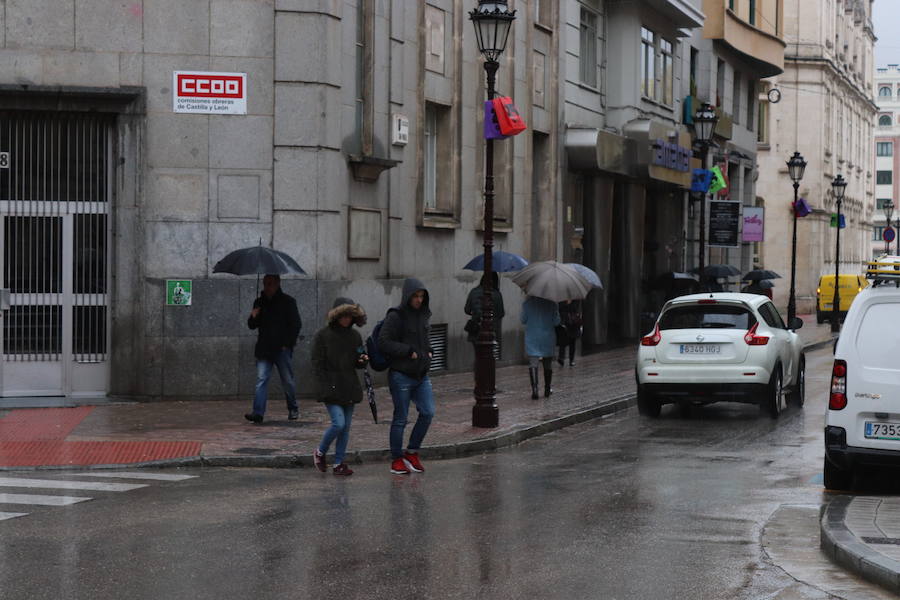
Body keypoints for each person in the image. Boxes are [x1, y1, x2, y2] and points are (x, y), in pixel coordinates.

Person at [378, 278, 434, 475]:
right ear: (407, 296)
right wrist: (407, 350)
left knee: (428, 412)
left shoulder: (424, 315)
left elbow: (425, 339)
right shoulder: (396, 316)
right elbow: (383, 341)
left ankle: (412, 451)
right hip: (401, 374)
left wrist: (429, 351)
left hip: (421, 374)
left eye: (421, 296)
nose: (419, 300)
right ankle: (396, 459)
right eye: (416, 296)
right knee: (401, 418)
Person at [312, 298, 368, 476]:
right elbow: (317, 363)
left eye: (349, 316)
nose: (346, 319)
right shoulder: (323, 335)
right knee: (338, 423)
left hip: (349, 385)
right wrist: (324, 385)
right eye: (343, 315)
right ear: (336, 316)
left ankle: (338, 463)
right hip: (331, 386)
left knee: (346, 427)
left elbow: (359, 360)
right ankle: (320, 452)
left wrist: (362, 360)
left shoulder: (355, 336)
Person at [245, 274, 302, 424]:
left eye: (270, 284)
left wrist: (287, 344)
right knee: (261, 379)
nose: (267, 287)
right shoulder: (259, 302)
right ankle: (258, 412)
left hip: (282, 349)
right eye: (265, 284)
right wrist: (253, 316)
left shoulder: (288, 302)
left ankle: (293, 408)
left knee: (287, 380)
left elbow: (296, 324)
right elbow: (252, 325)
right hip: (264, 348)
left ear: (277, 284)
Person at [521, 295, 560, 399]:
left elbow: (523, 320)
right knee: (547, 364)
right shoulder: (553, 304)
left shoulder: (527, 303)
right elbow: (557, 322)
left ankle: (535, 390)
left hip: (532, 337)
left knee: (533, 363)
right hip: (547, 337)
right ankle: (547, 389)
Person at [464, 272, 505, 353]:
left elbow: (467, 310)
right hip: (491, 330)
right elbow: (501, 313)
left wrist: (475, 313)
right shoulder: (497, 294)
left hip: (475, 330)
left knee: (478, 355)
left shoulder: (474, 291)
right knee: (488, 355)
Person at [556, 299, 583, 367]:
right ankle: (561, 358)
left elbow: (577, 310)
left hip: (573, 324)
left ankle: (571, 360)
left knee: (572, 342)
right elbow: (560, 309)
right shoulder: (561, 300)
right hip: (564, 323)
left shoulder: (576, 300)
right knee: (562, 341)